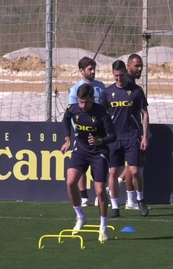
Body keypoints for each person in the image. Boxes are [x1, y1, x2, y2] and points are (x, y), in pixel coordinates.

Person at [61, 83, 116, 241]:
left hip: (99, 153)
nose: (83, 105)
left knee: (99, 192)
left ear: (93, 99)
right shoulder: (73, 109)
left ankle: (103, 226)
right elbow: (66, 119)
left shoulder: (102, 113)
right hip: (81, 151)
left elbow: (113, 136)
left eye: (86, 102)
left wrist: (99, 140)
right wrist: (67, 138)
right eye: (81, 102)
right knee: (70, 182)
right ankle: (80, 217)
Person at [101, 59, 150, 218]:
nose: (118, 78)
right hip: (114, 139)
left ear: (125, 72)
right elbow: (102, 116)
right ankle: (115, 207)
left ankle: (140, 198)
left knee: (135, 170)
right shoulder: (107, 93)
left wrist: (144, 136)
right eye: (115, 76)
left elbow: (144, 113)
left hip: (132, 137)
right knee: (113, 171)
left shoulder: (136, 91)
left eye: (121, 75)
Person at [68, 56, 106, 207]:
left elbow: (105, 108)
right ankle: (83, 196)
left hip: (99, 132)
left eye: (94, 68)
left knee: (99, 163)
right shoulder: (75, 90)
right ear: (81, 71)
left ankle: (99, 193)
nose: (93, 71)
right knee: (81, 164)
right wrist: (80, 129)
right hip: (83, 132)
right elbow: (72, 113)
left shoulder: (101, 86)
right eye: (90, 69)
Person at [117, 54, 145, 210]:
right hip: (128, 133)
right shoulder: (127, 83)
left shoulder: (132, 83)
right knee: (133, 164)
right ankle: (130, 199)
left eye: (141, 66)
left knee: (137, 163)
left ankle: (124, 192)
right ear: (128, 66)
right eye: (136, 66)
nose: (139, 69)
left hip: (132, 130)